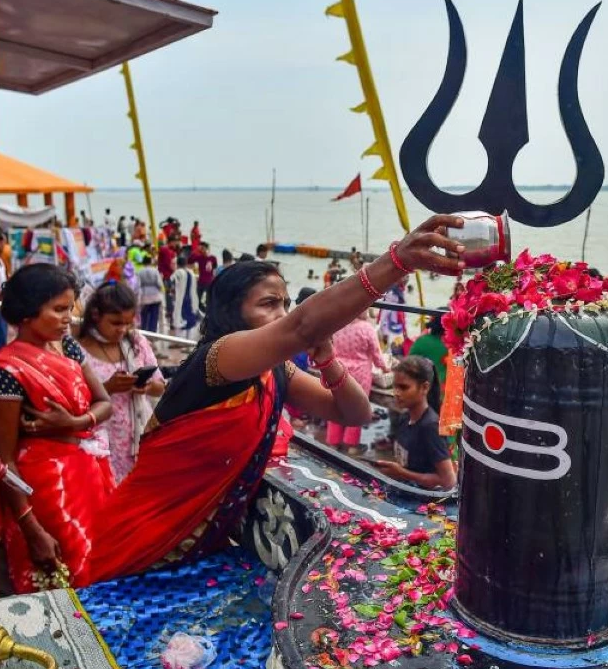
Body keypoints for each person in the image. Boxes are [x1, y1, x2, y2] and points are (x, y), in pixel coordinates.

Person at [87, 215, 467, 582]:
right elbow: (301, 326)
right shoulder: (218, 358)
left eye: (284, 304)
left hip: (197, 545)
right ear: (231, 311)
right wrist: (396, 262)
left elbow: (355, 412)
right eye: (268, 304)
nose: (280, 314)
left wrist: (328, 359)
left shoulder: (275, 372)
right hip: (140, 538)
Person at [0, 264, 115, 592]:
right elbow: (3, 462)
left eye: (69, 308)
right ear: (28, 313)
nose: (68, 318)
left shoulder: (68, 348)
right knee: (64, 578)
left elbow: (104, 403)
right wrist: (32, 527)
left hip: (88, 475)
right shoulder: (7, 371)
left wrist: (75, 422)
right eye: (58, 310)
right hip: (44, 490)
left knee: (101, 566)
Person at [78, 283, 165, 484]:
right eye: (116, 323)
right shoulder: (78, 350)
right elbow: (73, 402)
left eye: (128, 323)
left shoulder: (136, 343)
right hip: (98, 443)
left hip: (137, 440)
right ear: (95, 315)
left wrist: (146, 387)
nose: (122, 329)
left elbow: (160, 386)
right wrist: (107, 388)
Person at [374, 357, 455, 491]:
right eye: (395, 386)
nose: (397, 393)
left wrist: (401, 473)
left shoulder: (430, 427)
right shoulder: (405, 418)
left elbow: (448, 481)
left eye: (404, 387)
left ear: (424, 387)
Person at [327, 310, 389, 454]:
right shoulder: (366, 328)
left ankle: (333, 442)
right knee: (357, 408)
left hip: (338, 370)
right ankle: (351, 445)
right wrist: (385, 368)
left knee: (335, 404)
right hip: (360, 374)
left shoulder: (337, 324)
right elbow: (376, 354)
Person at [408, 314, 449, 388]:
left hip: (425, 387)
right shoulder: (455, 345)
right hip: (447, 389)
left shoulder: (422, 341)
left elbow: (408, 365)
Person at [169, 253, 200, 340]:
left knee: (178, 318)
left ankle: (177, 340)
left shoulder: (178, 272)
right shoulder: (191, 272)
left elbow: (171, 282)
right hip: (190, 298)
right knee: (189, 318)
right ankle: (187, 339)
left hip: (181, 299)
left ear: (178, 264)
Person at [136, 253, 164, 334]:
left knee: (144, 316)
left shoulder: (139, 272)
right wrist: (161, 290)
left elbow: (138, 284)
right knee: (154, 316)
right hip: (155, 296)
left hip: (144, 296)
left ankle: (144, 332)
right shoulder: (155, 271)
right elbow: (159, 283)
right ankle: (152, 333)